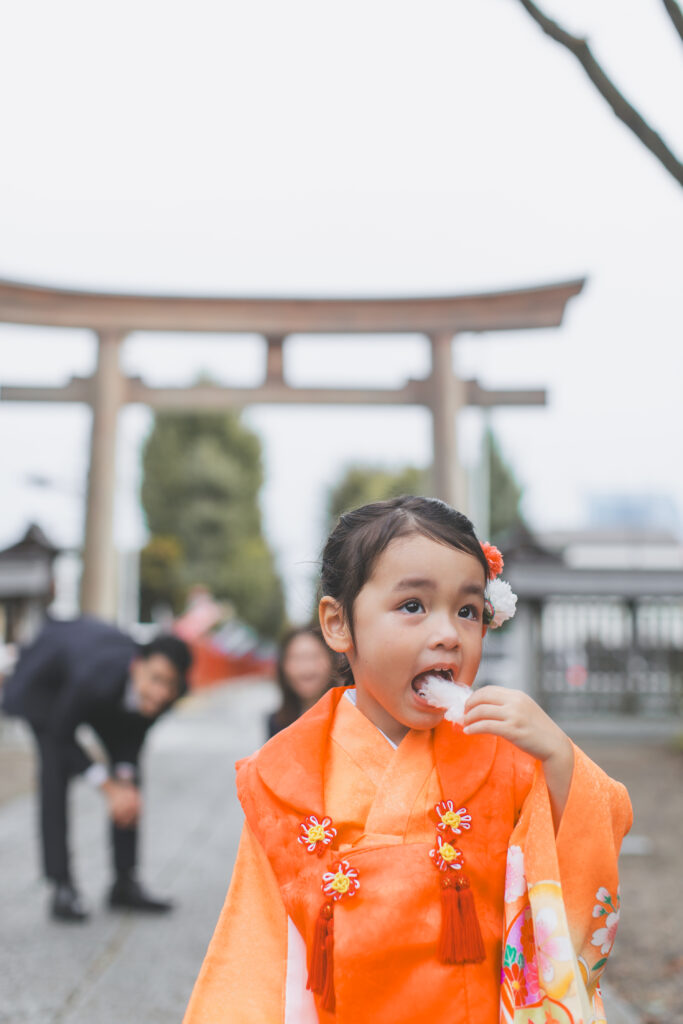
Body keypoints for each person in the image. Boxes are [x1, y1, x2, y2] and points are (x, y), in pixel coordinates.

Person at [182, 496, 632, 1024]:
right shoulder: (284, 775)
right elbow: (256, 953)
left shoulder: (506, 753)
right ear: (338, 623)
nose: (448, 634)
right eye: (413, 606)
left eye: (467, 611)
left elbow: (596, 826)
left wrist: (557, 754)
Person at [1, 614, 192, 922]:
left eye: (170, 684)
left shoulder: (170, 693)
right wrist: (107, 786)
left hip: (104, 694)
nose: (161, 692)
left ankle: (124, 881)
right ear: (137, 666)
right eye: (156, 679)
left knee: (130, 781)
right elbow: (62, 733)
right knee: (55, 770)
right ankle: (61, 886)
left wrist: (124, 784)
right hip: (49, 685)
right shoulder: (96, 677)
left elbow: (133, 737)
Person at [266, 626, 337, 739]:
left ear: (331, 660)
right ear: (283, 666)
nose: (307, 668)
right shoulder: (276, 723)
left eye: (314, 657)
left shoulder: (351, 715)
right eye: (297, 658)